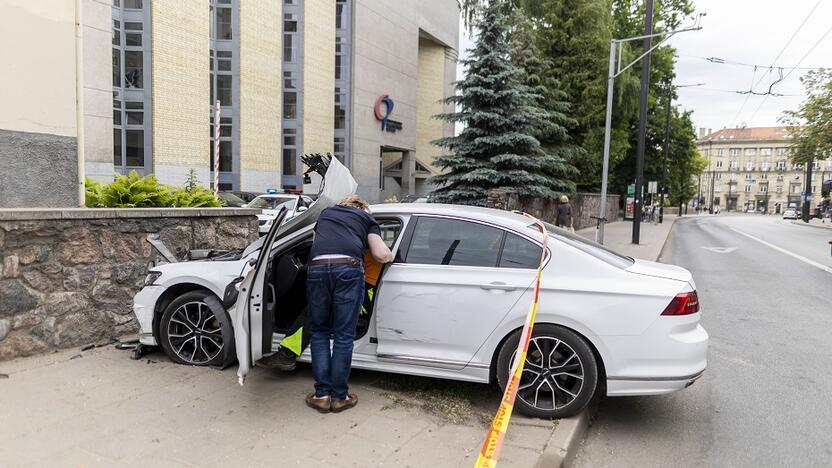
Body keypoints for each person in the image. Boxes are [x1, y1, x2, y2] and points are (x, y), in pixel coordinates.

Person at [304, 195, 393, 413]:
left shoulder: (326, 214)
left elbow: (317, 242)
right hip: (348, 269)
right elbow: (381, 255)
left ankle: (321, 395)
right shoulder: (366, 218)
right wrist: (392, 256)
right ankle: (340, 397)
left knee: (320, 332)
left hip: (316, 268)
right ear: (364, 208)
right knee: (343, 335)